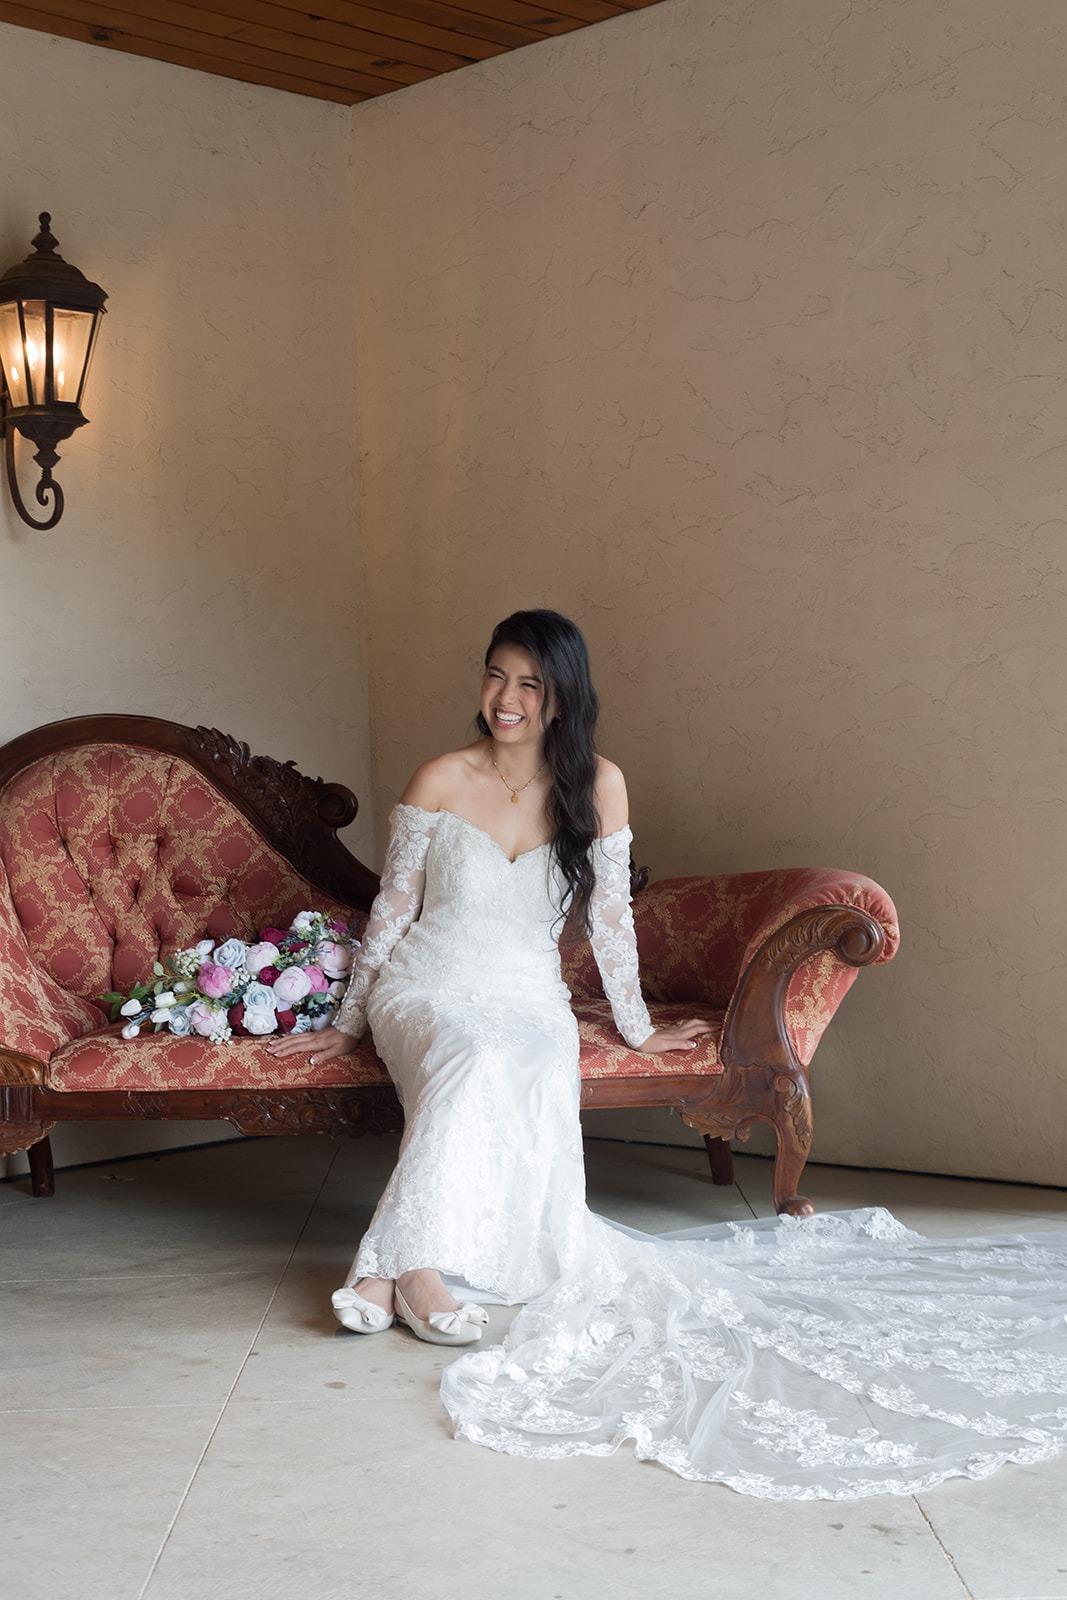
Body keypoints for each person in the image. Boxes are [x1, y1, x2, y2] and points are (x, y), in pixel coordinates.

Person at [270, 609, 1067, 1499]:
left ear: (563, 698)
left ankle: (388, 1268)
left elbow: (610, 920)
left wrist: (638, 1026)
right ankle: (406, 1271)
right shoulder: (438, 776)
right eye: (495, 676)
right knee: (466, 1058)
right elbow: (391, 913)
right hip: (427, 985)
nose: (505, 698)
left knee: (530, 1058)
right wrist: (346, 1023)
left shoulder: (598, 785)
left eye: (530, 684)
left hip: (528, 993)